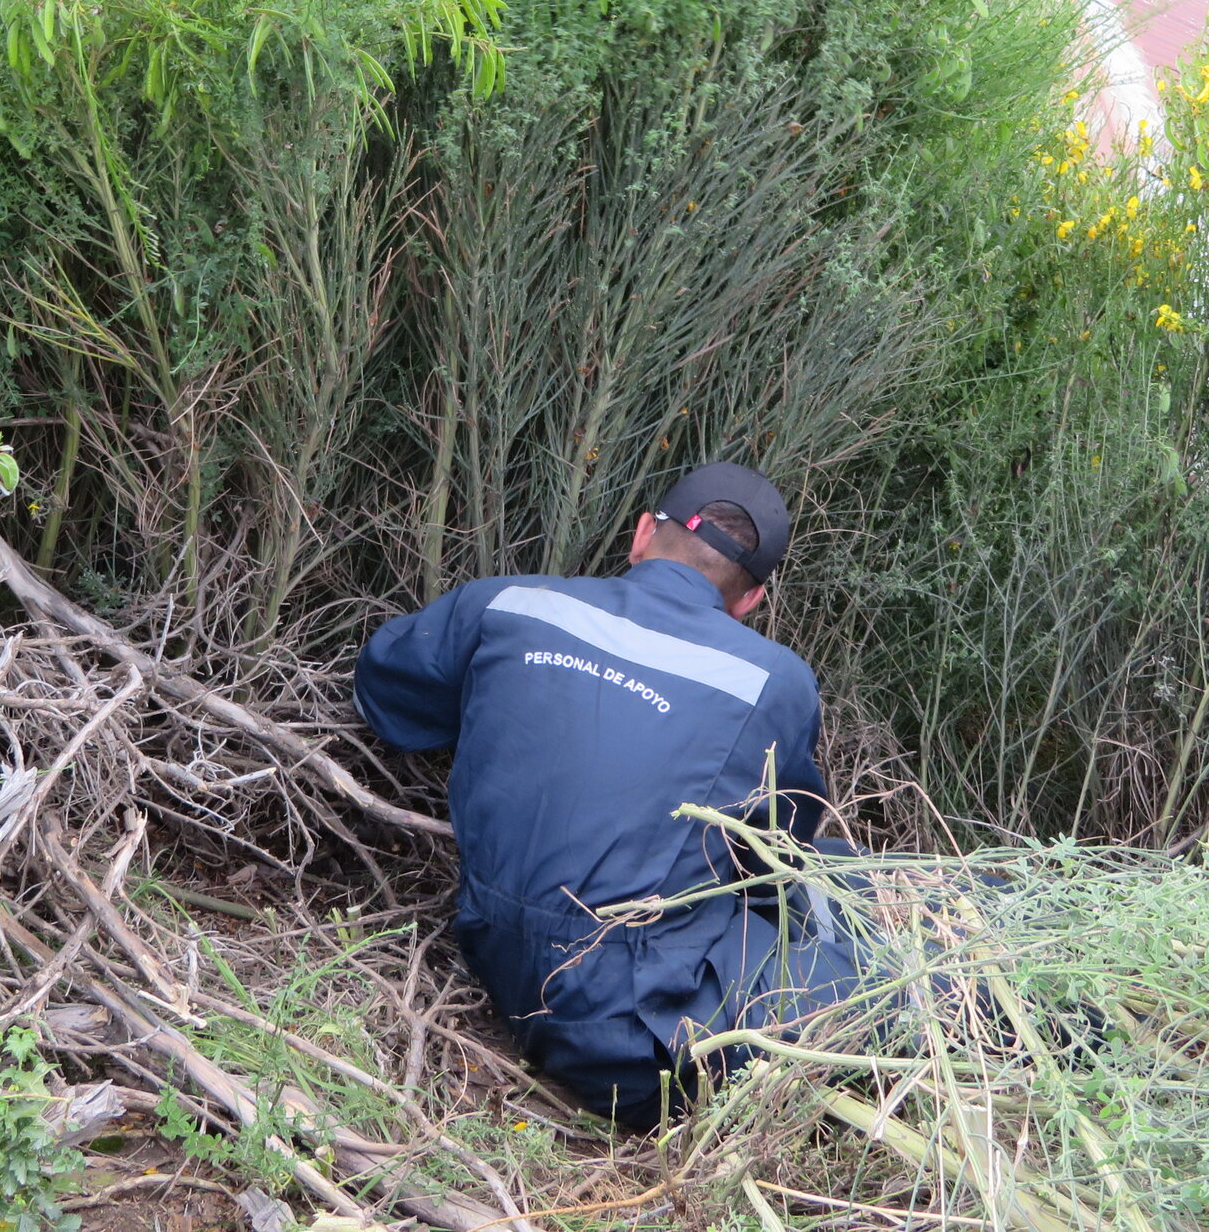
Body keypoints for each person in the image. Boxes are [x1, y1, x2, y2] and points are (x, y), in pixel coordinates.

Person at [354, 463, 868, 1127]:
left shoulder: (507, 603)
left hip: (490, 956)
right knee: (889, 957)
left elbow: (384, 693)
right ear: (750, 601)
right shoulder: (773, 682)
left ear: (641, 533)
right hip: (632, 1041)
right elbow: (774, 873)